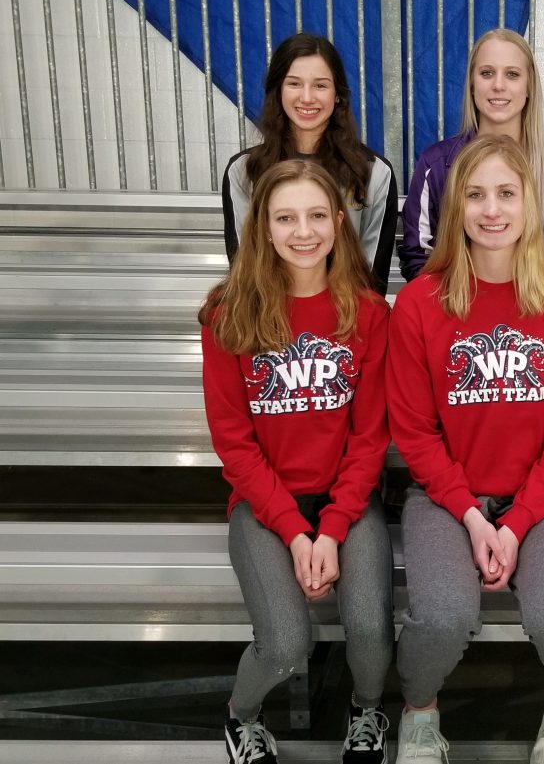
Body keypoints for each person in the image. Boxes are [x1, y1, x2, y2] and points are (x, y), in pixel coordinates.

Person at [387, 135, 544, 764]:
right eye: (475, 195)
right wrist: (474, 516)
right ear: (454, 207)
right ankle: (419, 709)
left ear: (530, 202)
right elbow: (415, 432)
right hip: (444, 496)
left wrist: (516, 523)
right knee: (442, 618)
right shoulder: (420, 303)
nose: (491, 210)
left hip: (540, 497)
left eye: (506, 193)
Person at [200, 160, 393, 764]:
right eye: (285, 218)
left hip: (348, 502)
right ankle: (242, 715)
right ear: (262, 226)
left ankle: (366, 711)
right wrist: (294, 531)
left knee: (371, 631)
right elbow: (235, 445)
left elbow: (369, 439)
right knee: (285, 645)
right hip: (263, 506)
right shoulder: (228, 313)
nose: (303, 232)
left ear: (338, 222)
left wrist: (330, 529)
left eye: (315, 216)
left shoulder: (368, 313)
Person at [398, 28, 544, 281]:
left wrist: (523, 301)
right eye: (487, 73)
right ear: (472, 84)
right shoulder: (436, 165)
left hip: (538, 304)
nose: (498, 85)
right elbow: (419, 260)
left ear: (529, 86)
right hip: (456, 305)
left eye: (512, 74)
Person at [222, 32, 399, 294]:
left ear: (337, 94)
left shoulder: (374, 173)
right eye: (294, 83)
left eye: (320, 85)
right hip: (268, 314)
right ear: (278, 91)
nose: (307, 97)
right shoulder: (244, 171)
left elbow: (372, 277)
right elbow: (244, 267)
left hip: (347, 314)